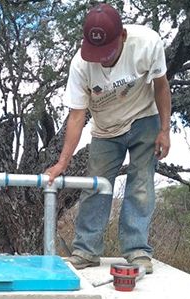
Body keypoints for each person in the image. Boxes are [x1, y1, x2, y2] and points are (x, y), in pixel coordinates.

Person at [46, 3, 171, 273]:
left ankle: (137, 250)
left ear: (123, 36)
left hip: (143, 119)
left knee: (140, 185)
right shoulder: (80, 65)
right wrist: (62, 163)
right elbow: (77, 116)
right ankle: (86, 251)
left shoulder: (148, 43)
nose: (102, 59)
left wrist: (164, 129)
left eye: (108, 52)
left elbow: (161, 87)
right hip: (105, 130)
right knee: (95, 186)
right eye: (96, 53)